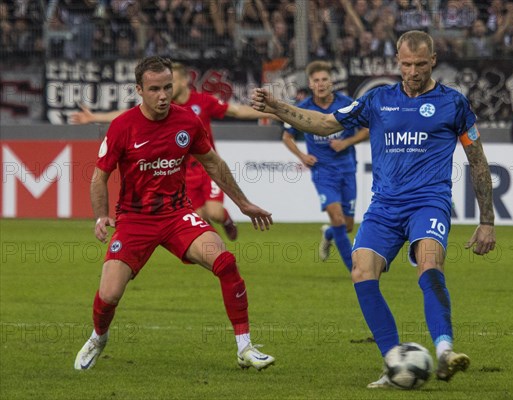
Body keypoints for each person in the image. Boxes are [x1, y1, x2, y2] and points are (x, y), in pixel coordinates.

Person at [252, 30, 496, 387]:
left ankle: (445, 352)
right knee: (361, 271)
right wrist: (277, 108)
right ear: (397, 62)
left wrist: (486, 220)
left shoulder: (453, 104)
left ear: (433, 62)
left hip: (428, 202)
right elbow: (324, 122)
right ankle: (395, 361)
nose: (412, 71)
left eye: (420, 64)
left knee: (429, 264)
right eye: (406, 64)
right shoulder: (378, 99)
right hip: (384, 206)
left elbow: (478, 161)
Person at [74, 56, 275, 372]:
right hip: (134, 220)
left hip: (177, 215)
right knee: (110, 293)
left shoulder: (187, 121)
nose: (163, 95)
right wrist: (101, 216)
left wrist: (243, 203)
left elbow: (213, 163)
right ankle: (99, 337)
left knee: (225, 262)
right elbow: (100, 176)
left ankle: (245, 346)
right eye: (155, 89)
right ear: (140, 89)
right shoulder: (122, 127)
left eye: (167, 87)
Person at [70, 62, 277, 241]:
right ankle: (211, 248)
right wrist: (95, 116)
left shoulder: (203, 102)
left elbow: (237, 111)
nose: (165, 90)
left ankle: (227, 220)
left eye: (172, 83)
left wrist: (275, 113)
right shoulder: (164, 107)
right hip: (184, 172)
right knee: (199, 216)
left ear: (185, 80)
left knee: (214, 212)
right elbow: (130, 115)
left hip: (207, 169)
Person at [281, 60, 369, 272]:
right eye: (316, 80)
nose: (320, 84)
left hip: (347, 167)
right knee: (336, 216)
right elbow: (287, 136)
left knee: (346, 225)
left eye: (324, 80)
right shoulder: (302, 109)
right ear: (310, 84)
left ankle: (328, 234)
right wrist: (302, 155)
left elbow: (366, 130)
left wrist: (345, 143)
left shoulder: (347, 104)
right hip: (322, 171)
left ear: (332, 82)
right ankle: (354, 270)